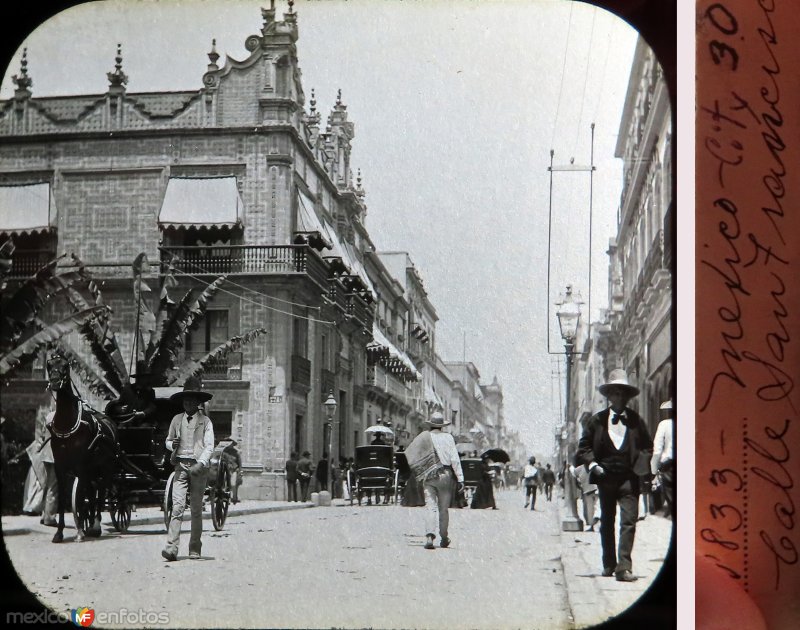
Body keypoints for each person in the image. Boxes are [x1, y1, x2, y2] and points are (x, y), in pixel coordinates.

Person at [576, 368, 653, 582]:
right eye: (615, 393)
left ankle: (624, 567)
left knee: (629, 521)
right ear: (609, 396)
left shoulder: (636, 421)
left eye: (622, 393)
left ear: (627, 397)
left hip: (629, 479)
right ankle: (609, 564)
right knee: (607, 522)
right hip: (605, 478)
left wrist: (639, 468)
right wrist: (592, 465)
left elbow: (648, 446)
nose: (619, 397)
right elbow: (584, 447)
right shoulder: (597, 421)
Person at [161, 376, 215, 562]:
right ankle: (171, 548)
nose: (188, 403)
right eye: (185, 400)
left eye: (192, 400)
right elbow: (167, 441)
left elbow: (209, 446)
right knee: (177, 507)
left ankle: (194, 548)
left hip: (198, 467)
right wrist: (171, 445)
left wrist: (201, 463)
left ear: (198, 403)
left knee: (196, 509)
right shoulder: (176, 420)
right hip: (180, 465)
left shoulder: (206, 422)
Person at [405, 411, 464, 549]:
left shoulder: (424, 437)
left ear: (430, 425)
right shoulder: (448, 438)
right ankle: (444, 537)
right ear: (442, 426)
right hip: (445, 474)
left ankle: (429, 536)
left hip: (429, 474)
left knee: (430, 506)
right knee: (443, 509)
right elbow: (455, 459)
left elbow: (411, 453)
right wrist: (460, 478)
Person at [651, 399, 675, 519]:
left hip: (668, 465)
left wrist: (654, 470)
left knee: (670, 493)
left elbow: (658, 448)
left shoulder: (664, 424)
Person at [572, 463, 600, 531]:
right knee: (596, 508)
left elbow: (573, 473)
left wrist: (578, 484)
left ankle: (593, 525)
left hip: (588, 491)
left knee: (590, 510)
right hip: (595, 490)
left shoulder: (580, 468)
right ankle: (595, 522)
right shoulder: (594, 465)